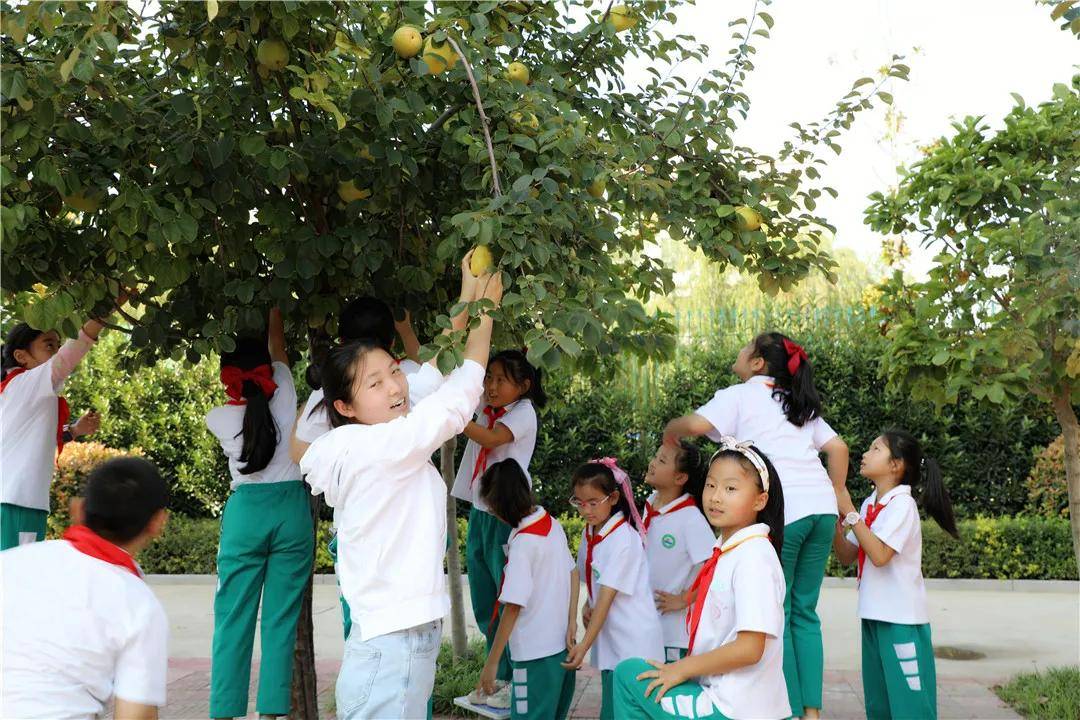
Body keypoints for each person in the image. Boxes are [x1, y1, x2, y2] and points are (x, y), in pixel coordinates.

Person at [299, 252, 502, 719]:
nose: (395, 387)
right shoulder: (378, 449)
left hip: (402, 638)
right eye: (375, 383)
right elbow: (456, 399)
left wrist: (470, 291)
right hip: (390, 647)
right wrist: (486, 315)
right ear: (346, 406)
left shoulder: (376, 433)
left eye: (394, 371)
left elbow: (433, 376)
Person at [664, 332, 849, 719]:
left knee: (769, 614)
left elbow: (695, 425)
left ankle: (787, 709)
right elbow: (838, 448)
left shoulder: (741, 393)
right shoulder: (794, 402)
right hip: (821, 509)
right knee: (804, 613)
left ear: (757, 362)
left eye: (747, 346)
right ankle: (811, 713)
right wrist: (837, 490)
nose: (740, 349)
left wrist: (670, 429)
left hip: (788, 511)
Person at [612, 437, 790, 720]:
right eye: (711, 485)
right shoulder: (732, 551)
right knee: (638, 674)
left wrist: (682, 668)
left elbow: (750, 647)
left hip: (733, 707)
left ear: (760, 499)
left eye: (731, 488)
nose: (716, 496)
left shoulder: (754, 556)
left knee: (627, 676)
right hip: (727, 695)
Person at [206, 308, 313, 720]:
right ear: (268, 370)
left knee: (233, 617)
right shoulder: (284, 390)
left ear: (225, 377)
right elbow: (279, 348)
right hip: (292, 510)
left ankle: (224, 711)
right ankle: (271, 712)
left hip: (245, 514)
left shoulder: (217, 417)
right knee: (280, 620)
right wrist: (274, 313)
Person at [2, 457, 170, 719]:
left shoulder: (9, 562)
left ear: (78, 510)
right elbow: (134, 715)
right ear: (158, 522)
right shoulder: (138, 604)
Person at [834, 430, 959, 720]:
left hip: (901, 620)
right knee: (879, 704)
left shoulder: (902, 506)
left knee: (910, 706)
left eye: (875, 449)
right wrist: (834, 519)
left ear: (896, 465)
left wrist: (850, 513)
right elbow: (846, 556)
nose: (865, 454)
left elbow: (879, 556)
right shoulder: (870, 504)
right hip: (873, 615)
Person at [453, 348, 547, 704]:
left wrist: (454, 418)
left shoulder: (523, 412)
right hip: (480, 512)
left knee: (504, 598)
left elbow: (491, 439)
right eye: (488, 378)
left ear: (523, 386)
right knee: (482, 599)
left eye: (500, 380)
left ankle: (511, 678)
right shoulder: (486, 410)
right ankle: (496, 676)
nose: (491, 385)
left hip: (504, 517)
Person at [1, 299, 122, 549]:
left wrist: (75, 431)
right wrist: (105, 311)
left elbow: (31, 439)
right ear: (21, 356)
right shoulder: (25, 384)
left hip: (14, 500)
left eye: (58, 345)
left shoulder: (14, 390)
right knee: (16, 583)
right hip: (17, 502)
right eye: (49, 345)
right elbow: (70, 355)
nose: (57, 352)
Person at [473, 459, 577, 720]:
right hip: (561, 649)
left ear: (499, 505)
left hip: (533, 657)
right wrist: (572, 623)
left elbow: (513, 606)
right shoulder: (551, 524)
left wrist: (492, 662)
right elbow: (573, 573)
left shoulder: (523, 545)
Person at [562, 458, 664, 720]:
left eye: (594, 502)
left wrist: (583, 646)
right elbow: (593, 580)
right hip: (613, 639)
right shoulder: (592, 530)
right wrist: (586, 605)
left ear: (614, 497)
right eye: (579, 502)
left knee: (629, 710)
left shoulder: (622, 539)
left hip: (634, 642)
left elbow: (606, 598)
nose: (586, 510)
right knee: (612, 708)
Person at [640, 441, 716, 662]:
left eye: (662, 460)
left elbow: (714, 567)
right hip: (646, 628)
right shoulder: (649, 506)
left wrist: (684, 599)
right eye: (656, 456)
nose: (652, 463)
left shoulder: (691, 519)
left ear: (680, 478)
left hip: (673, 636)